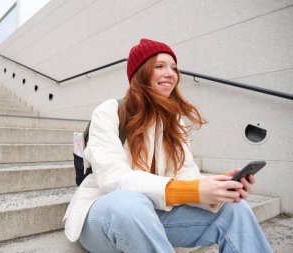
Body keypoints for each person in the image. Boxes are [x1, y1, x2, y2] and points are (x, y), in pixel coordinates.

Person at [63, 38, 272, 253]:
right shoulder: (109, 111)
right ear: (140, 73)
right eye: (159, 66)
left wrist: (217, 187)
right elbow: (112, 179)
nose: (170, 73)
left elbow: (185, 176)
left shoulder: (173, 121)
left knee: (234, 210)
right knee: (131, 204)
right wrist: (192, 190)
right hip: (105, 215)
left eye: (174, 68)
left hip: (153, 215)